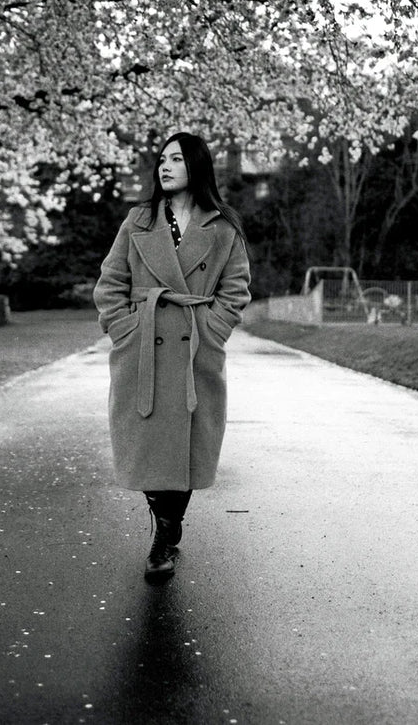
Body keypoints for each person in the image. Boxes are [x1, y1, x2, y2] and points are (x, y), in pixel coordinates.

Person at [93, 132, 251, 582]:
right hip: (143, 349)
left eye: (176, 159)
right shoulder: (138, 220)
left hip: (195, 350)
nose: (164, 166)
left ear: (196, 166)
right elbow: (110, 282)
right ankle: (165, 521)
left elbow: (236, 288)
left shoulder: (223, 227)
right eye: (161, 159)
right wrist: (124, 329)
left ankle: (164, 535)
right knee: (144, 443)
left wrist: (212, 331)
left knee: (189, 446)